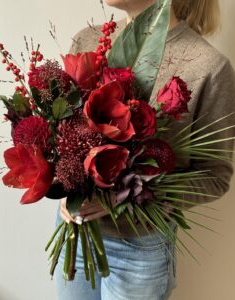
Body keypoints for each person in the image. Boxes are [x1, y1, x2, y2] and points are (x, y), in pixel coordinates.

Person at [55, 0, 235, 299]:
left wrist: (129, 195)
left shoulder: (209, 66)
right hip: (77, 233)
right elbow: (62, 131)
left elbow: (215, 177)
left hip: (140, 250)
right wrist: (64, 186)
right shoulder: (88, 40)